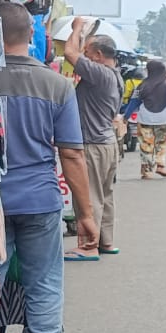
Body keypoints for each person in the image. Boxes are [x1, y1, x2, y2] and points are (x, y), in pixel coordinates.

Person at [0, 3, 97, 333]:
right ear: (32, 36)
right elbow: (73, 155)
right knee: (44, 283)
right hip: (41, 201)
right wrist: (85, 215)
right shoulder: (58, 86)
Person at [62, 17, 124, 258]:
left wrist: (77, 28)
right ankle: (105, 241)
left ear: (98, 55)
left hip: (93, 144)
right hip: (107, 143)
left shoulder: (99, 73)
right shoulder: (115, 76)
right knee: (105, 195)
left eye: (87, 53)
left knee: (88, 196)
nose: (84, 56)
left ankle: (88, 245)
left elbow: (69, 53)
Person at [126, 59, 166, 178]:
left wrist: (126, 117)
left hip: (145, 119)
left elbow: (133, 102)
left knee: (146, 143)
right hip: (162, 119)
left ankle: (147, 170)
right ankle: (161, 165)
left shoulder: (142, 85)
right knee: (161, 142)